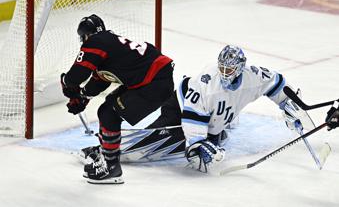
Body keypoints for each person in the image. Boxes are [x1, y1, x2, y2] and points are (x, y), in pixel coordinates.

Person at [147, 45, 304, 172]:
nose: (224, 74)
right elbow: (193, 114)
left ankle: (215, 131)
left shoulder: (253, 76)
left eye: (228, 70)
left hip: (212, 118)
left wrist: (288, 102)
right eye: (221, 68)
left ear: (240, 68)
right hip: (181, 104)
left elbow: (274, 81)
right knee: (168, 132)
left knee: (210, 151)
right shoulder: (208, 83)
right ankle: (145, 137)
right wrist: (197, 142)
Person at [60, 14, 174, 184]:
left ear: (85, 36)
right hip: (156, 80)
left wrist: (68, 86)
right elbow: (101, 79)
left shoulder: (95, 42)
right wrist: (83, 97)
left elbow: (76, 76)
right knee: (107, 109)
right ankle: (107, 152)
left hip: (153, 84)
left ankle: (111, 167)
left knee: (108, 113)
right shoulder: (111, 43)